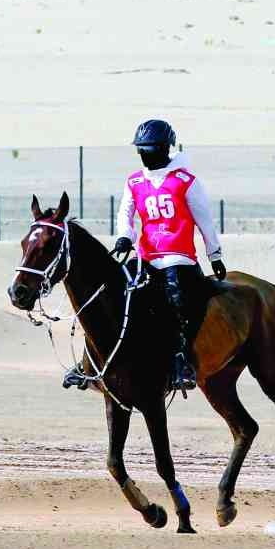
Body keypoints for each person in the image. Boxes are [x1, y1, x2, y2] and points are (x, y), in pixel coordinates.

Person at [110, 119, 226, 391]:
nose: (145, 155)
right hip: (146, 256)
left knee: (177, 304)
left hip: (178, 257)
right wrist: (124, 235)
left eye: (150, 149)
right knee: (114, 293)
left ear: (164, 148)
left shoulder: (186, 181)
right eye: (142, 150)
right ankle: (97, 359)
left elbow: (205, 220)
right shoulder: (134, 181)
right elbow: (124, 213)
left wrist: (215, 254)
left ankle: (181, 361)